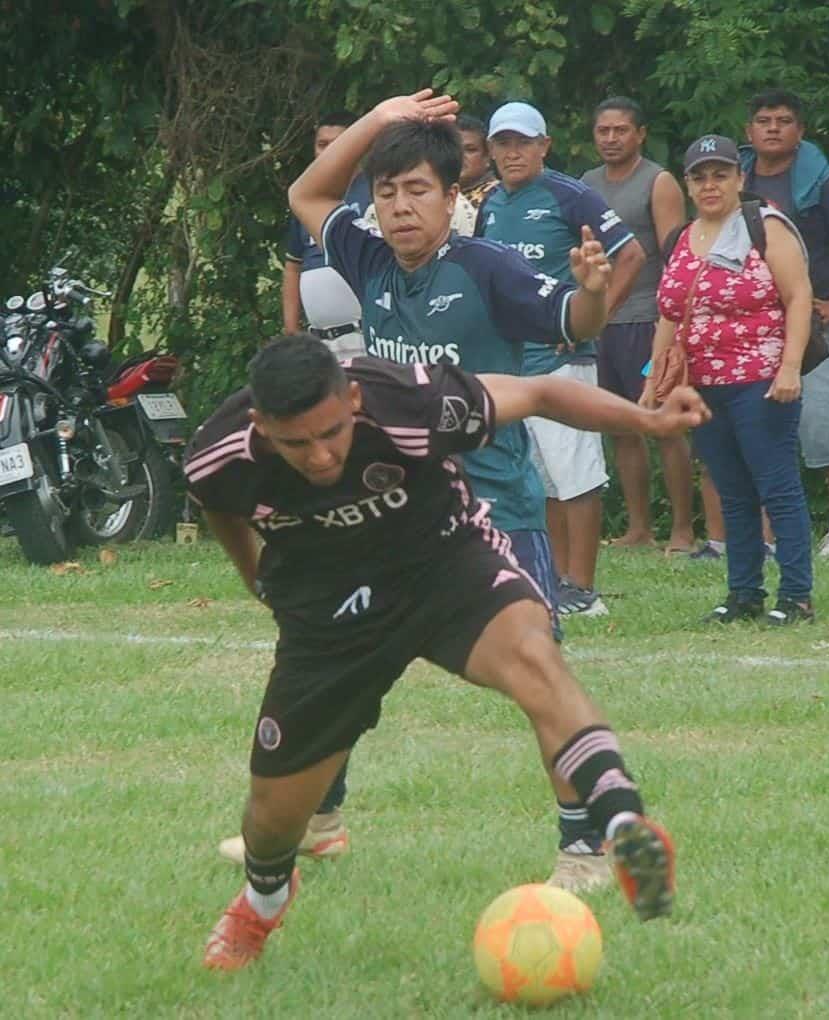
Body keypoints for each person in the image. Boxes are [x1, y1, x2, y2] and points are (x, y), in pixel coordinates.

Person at [216, 93, 626, 893]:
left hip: (492, 506)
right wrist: (377, 117)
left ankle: (584, 846)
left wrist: (596, 292)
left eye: (418, 191)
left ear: (452, 197)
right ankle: (320, 820)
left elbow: (575, 323)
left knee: (540, 673)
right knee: (340, 660)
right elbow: (306, 195)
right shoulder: (368, 257)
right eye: (388, 193)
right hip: (393, 508)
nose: (401, 208)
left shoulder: (489, 268)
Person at [188, 334, 703, 970]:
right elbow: (220, 508)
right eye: (296, 443)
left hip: (444, 566)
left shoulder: (411, 401)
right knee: (270, 817)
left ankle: (623, 824)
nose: (320, 456)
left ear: (351, 399)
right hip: (330, 610)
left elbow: (540, 392)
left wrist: (648, 419)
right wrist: (258, 580)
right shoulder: (219, 456)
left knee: (535, 657)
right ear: (260, 425)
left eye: (331, 432)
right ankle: (263, 901)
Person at [477, 101, 646, 617]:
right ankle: (552, 580)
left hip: (562, 357)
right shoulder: (490, 205)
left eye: (522, 143)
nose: (512, 153)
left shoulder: (570, 195)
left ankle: (584, 588)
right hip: (511, 363)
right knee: (538, 477)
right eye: (502, 144)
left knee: (576, 474)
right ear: (490, 150)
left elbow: (632, 254)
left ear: (543, 146)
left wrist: (590, 320)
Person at [643, 135, 814, 624]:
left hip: (760, 378)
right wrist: (655, 377)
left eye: (720, 174)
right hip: (703, 384)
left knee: (776, 487)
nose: (710, 185)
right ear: (688, 184)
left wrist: (790, 367)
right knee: (731, 491)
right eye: (700, 176)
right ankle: (744, 592)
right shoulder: (682, 237)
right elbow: (669, 316)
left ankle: (797, 594)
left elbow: (798, 296)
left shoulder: (765, 226)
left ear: (740, 179)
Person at [740, 88, 829, 556]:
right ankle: (764, 534)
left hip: (814, 321)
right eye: (764, 120)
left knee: (826, 421)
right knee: (757, 425)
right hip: (752, 322)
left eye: (784, 120)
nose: (774, 128)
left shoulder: (820, 180)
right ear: (749, 131)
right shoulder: (733, 179)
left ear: (800, 131)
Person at [581, 96, 694, 553]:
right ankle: (639, 527)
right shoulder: (586, 184)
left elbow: (675, 256)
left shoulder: (659, 181)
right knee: (619, 427)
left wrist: (676, 325)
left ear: (640, 134)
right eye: (603, 131)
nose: (611, 139)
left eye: (621, 130)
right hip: (602, 322)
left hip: (649, 318)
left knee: (663, 422)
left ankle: (683, 528)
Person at [283, 110, 372, 359]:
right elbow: (293, 266)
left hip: (366, 336)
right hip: (320, 343)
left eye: (339, 144)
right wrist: (291, 330)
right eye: (322, 145)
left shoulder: (377, 190)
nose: (329, 152)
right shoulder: (306, 200)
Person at [457, 113, 499, 208]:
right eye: (453, 148)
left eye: (470, 150)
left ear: (488, 156)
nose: (459, 156)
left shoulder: (496, 198)